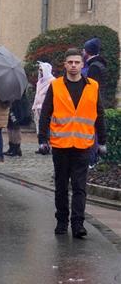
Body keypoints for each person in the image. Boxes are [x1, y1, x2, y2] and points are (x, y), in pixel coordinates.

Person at [38, 48, 107, 238]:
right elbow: (46, 113)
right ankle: (62, 221)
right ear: (65, 65)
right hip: (61, 145)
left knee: (79, 187)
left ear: (82, 64)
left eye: (77, 62)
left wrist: (103, 141)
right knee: (61, 186)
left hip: (83, 145)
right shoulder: (57, 86)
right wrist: (42, 139)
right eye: (70, 62)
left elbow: (99, 114)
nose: (74, 65)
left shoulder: (92, 86)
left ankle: (78, 224)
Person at [82, 37, 107, 167]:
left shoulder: (94, 67)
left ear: (88, 51)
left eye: (84, 50)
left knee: (92, 133)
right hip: (97, 101)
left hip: (92, 104)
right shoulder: (99, 64)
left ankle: (92, 160)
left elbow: (91, 88)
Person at [33, 62, 54, 154]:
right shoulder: (39, 82)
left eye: (41, 70)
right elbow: (37, 95)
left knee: (48, 128)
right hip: (38, 108)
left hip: (47, 108)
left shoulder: (52, 81)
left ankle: (49, 145)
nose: (40, 72)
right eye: (39, 70)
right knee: (39, 128)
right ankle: (42, 145)